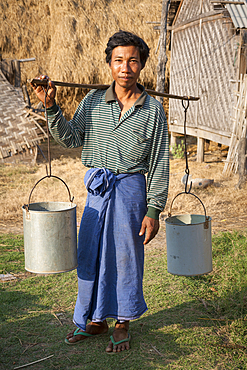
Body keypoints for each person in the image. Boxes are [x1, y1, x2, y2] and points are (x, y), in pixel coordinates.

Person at [31, 30, 169, 354]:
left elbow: (161, 161)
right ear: (109, 64)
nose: (125, 67)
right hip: (97, 192)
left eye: (132, 60)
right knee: (90, 255)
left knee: (125, 256)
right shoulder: (93, 101)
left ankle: (122, 322)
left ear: (141, 65)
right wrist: (51, 107)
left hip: (132, 191)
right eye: (118, 60)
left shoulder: (153, 110)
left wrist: (154, 210)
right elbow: (69, 137)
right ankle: (94, 319)